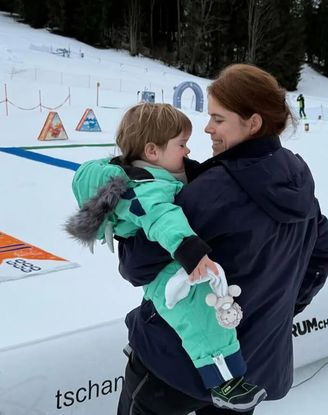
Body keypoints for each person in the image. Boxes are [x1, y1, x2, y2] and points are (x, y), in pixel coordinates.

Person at [114, 64, 328, 415]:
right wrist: (273, 312)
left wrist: (127, 224)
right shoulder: (296, 178)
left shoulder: (214, 191)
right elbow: (324, 255)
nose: (207, 128)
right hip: (249, 369)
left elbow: (136, 266)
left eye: (218, 119)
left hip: (175, 364)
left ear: (253, 123)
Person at [65, 103, 266, 411]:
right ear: (152, 151)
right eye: (181, 144)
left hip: (170, 266)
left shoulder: (152, 174)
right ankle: (224, 380)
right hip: (168, 273)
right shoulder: (145, 187)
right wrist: (190, 250)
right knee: (200, 317)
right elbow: (163, 218)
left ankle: (224, 373)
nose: (187, 152)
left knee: (210, 311)